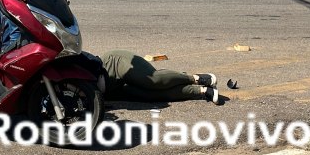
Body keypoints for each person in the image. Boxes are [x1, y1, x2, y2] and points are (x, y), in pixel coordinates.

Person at [96, 50, 226, 105]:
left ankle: (195, 78)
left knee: (153, 80)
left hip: (114, 64)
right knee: (150, 96)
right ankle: (202, 91)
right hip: (110, 90)